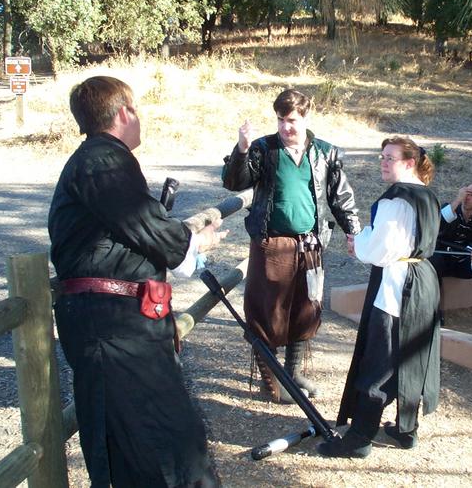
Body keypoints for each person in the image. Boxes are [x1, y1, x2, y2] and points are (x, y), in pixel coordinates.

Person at [49, 76, 226, 487]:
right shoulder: (102, 160)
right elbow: (148, 226)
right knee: (164, 443)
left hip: (118, 325)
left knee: (143, 445)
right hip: (114, 330)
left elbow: (136, 229)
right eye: (137, 110)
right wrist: (193, 242)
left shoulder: (102, 159)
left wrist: (179, 241)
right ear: (125, 112)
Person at [221, 88, 360, 403]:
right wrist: (241, 149)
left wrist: (353, 231)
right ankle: (271, 381)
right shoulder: (263, 149)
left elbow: (341, 197)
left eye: (292, 120)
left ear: (306, 117)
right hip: (271, 243)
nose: (286, 127)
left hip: (310, 244)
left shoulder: (325, 152)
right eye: (281, 120)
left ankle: (293, 372)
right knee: (265, 311)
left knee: (305, 309)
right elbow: (234, 182)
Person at [318, 136, 441, 459]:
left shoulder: (396, 200)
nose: (384, 163)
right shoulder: (427, 195)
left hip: (398, 286)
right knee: (411, 354)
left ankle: (359, 438)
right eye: (382, 157)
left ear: (410, 163)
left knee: (381, 359)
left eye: (391, 158)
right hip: (423, 283)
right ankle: (406, 430)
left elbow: (380, 250)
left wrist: (358, 243)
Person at [430, 183, 472, 330]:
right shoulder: (450, 208)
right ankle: (435, 310)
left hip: (462, 262)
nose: (467, 197)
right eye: (466, 193)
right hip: (442, 259)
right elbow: (436, 224)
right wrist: (457, 201)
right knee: (433, 260)